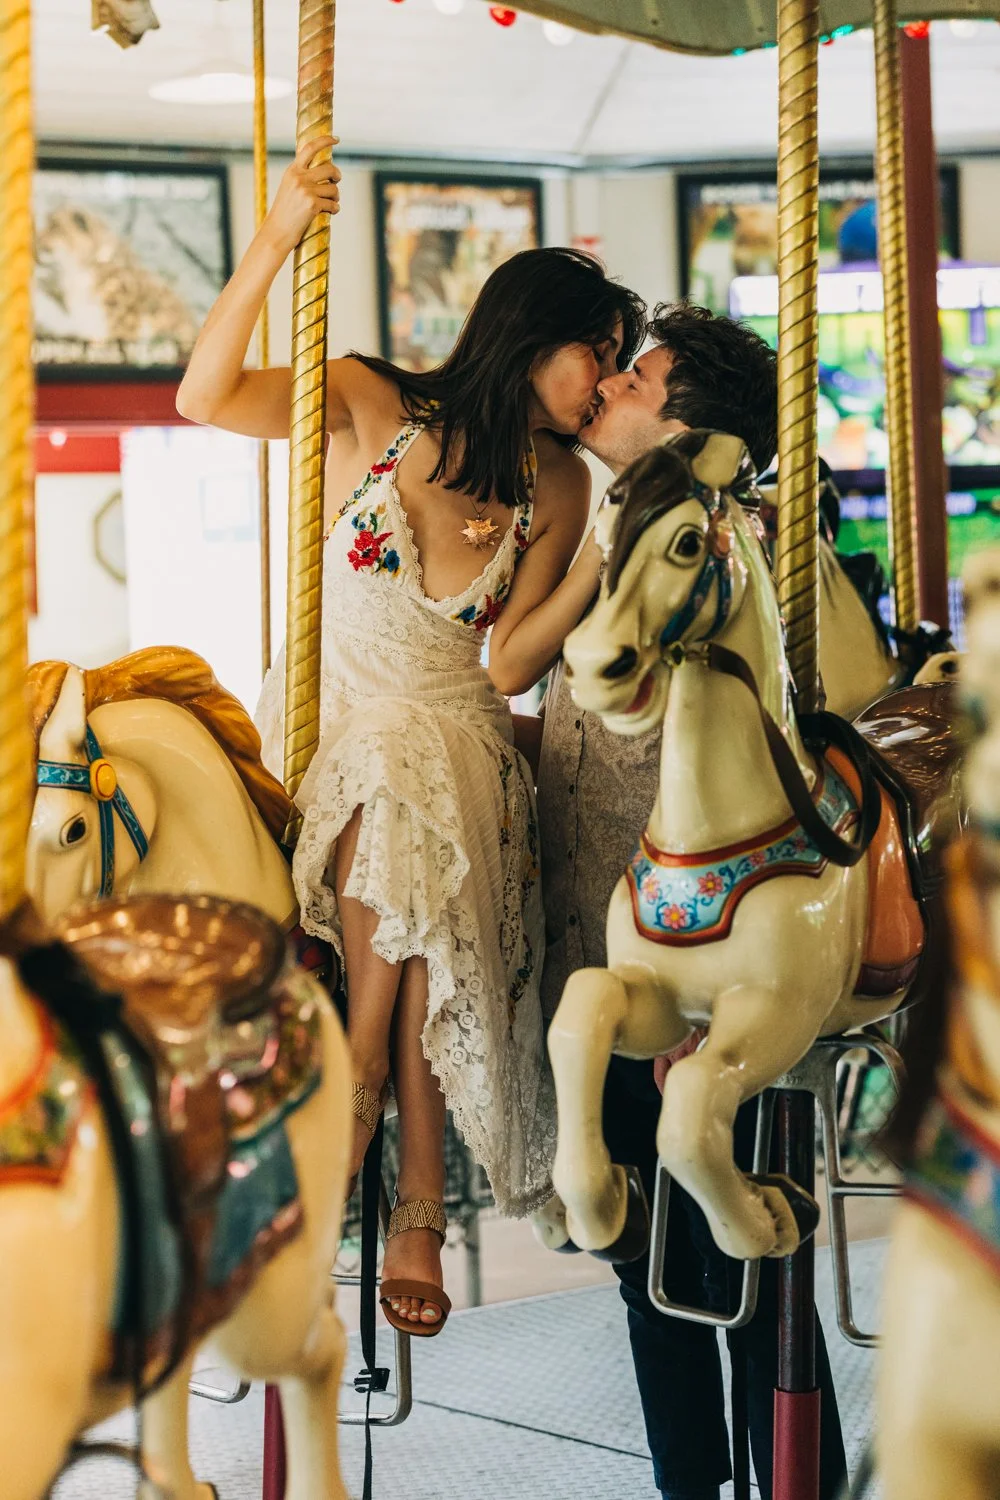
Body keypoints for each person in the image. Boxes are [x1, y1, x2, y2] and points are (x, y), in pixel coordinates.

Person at [177, 138, 647, 1336]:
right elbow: (204, 396)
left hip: (459, 748)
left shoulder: (561, 487)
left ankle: (366, 1087)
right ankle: (417, 1199)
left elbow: (507, 663)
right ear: (533, 332)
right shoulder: (366, 400)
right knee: (393, 769)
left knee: (421, 776)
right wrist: (276, 238)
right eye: (596, 356)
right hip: (340, 733)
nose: (602, 386)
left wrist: (602, 551)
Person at [532, 303, 849, 1499]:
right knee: (637, 1246)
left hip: (746, 931)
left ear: (692, 420)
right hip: (619, 939)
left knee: (752, 1250)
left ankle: (781, 1474)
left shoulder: (736, 541)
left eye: (637, 376)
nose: (608, 384)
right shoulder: (612, 536)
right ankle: (694, 1483)